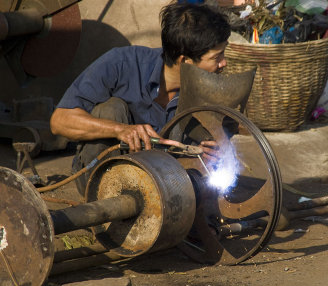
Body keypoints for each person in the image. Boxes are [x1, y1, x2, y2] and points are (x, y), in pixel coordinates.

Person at [50, 1, 231, 195]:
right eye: (216, 57)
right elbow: (59, 121)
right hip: (101, 179)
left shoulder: (208, 91)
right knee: (111, 109)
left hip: (165, 185)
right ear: (185, 61)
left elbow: (216, 150)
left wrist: (217, 151)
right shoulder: (122, 63)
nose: (224, 63)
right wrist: (121, 130)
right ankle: (102, 202)